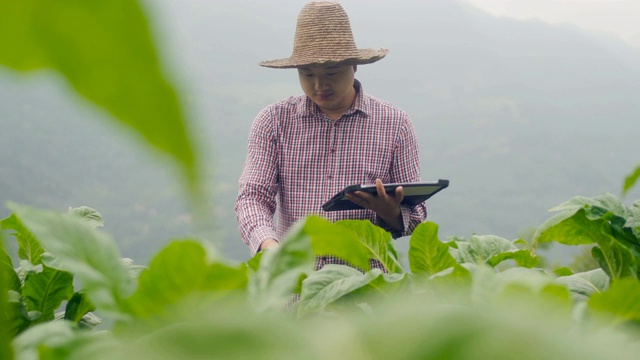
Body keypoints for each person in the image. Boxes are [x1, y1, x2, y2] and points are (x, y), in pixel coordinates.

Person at [235, 1, 428, 268]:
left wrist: (391, 213)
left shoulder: (395, 124)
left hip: (366, 291)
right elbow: (253, 197)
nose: (318, 85)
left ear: (354, 66)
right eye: (307, 73)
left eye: (331, 72)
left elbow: (416, 216)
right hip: (292, 288)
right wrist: (268, 244)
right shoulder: (273, 121)